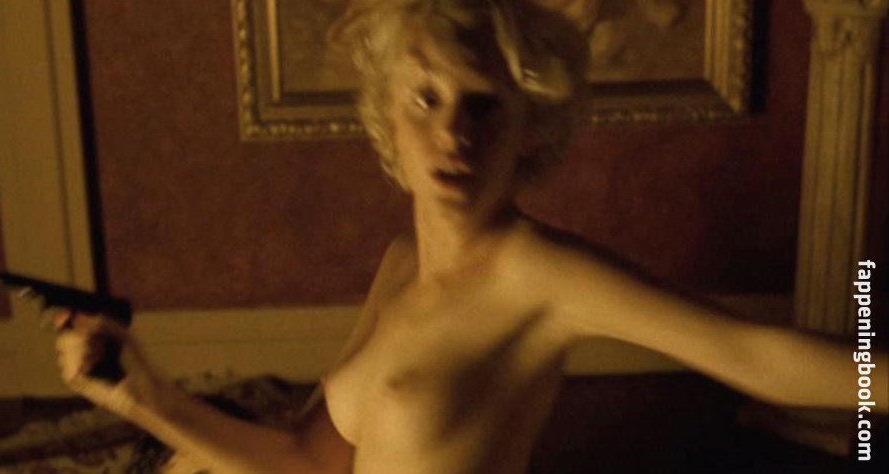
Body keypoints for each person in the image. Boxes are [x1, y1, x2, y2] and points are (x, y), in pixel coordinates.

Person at [54, 1, 887, 472]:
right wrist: (142, 398)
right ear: (387, 114)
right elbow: (308, 463)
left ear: (529, 128)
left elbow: (751, 354)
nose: (454, 134)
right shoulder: (401, 267)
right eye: (426, 99)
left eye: (484, 105)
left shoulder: (538, 274)